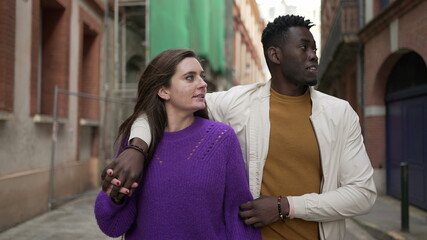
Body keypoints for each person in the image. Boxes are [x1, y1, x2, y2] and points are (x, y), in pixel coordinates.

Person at [103, 15, 377, 239]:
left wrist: (286, 206)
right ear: (275, 55)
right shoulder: (237, 103)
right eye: (304, 47)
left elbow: (362, 194)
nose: (314, 56)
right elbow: (161, 107)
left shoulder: (340, 114)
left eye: (314, 49)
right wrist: (136, 149)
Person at [94, 49, 261, 240]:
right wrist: (115, 197)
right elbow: (113, 226)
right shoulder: (135, 143)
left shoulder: (222, 138)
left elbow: (237, 215)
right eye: (190, 77)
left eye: (202, 76)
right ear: (164, 91)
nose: (203, 84)